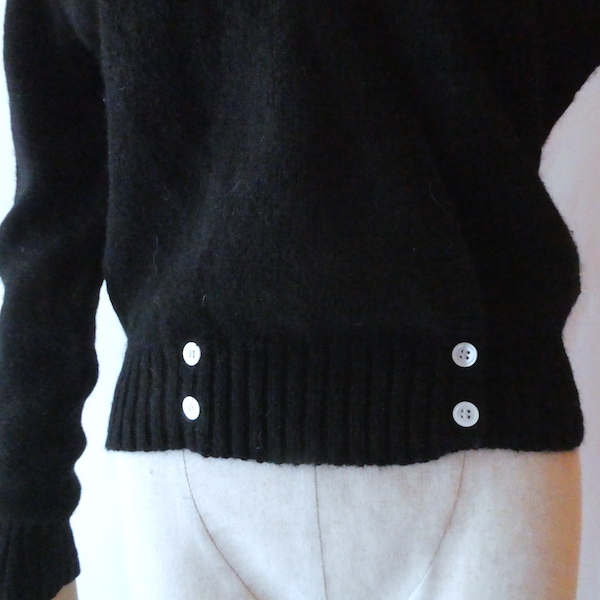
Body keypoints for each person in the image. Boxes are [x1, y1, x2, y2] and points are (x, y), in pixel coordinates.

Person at [0, 1, 598, 599]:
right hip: (204, 469)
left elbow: (54, 223)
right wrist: (23, 526)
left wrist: (24, 527)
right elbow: (53, 227)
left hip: (478, 443)